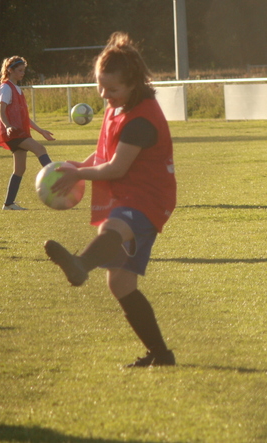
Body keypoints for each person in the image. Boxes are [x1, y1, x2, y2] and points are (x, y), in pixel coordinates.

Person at [42, 33, 178, 368]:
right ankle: (162, 355)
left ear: (133, 83)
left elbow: (117, 167)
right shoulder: (118, 106)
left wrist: (79, 175)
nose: (104, 95)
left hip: (149, 197)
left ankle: (80, 266)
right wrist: (79, 166)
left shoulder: (142, 119)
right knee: (120, 283)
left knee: (115, 226)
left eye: (112, 88)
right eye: (100, 86)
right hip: (128, 194)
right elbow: (105, 153)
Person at [0, 56, 55, 210]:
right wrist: (7, 126)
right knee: (40, 149)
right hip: (14, 133)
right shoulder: (6, 88)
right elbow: (1, 111)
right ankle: (56, 181)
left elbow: (25, 118)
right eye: (20, 70)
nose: (22, 73)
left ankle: (8, 204)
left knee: (20, 169)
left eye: (23, 70)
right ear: (10, 70)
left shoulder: (17, 89)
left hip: (20, 132)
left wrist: (41, 131)